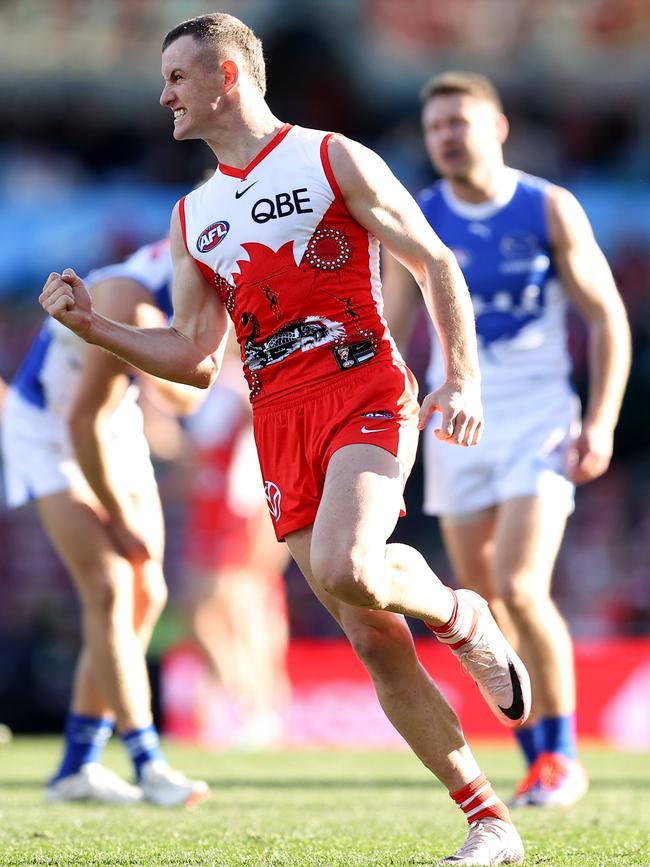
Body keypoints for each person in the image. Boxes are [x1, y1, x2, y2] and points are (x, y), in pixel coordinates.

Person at [39, 14, 531, 864]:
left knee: (350, 565)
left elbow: (434, 262)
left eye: (178, 77)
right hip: (278, 416)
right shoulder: (194, 216)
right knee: (372, 632)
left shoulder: (331, 156)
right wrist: (96, 329)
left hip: (363, 382)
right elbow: (195, 358)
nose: (163, 95)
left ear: (228, 75)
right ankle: (490, 820)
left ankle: (463, 618)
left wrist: (465, 376)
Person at [383, 71, 631, 808]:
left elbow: (608, 316)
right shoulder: (418, 216)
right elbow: (395, 333)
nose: (447, 137)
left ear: (498, 126)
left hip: (537, 420)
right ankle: (535, 762)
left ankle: (560, 756)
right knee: (481, 602)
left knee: (523, 586)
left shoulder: (547, 207)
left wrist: (602, 418)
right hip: (456, 426)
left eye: (460, 122)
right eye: (436, 128)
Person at [2, 239, 209, 806]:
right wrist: (119, 520)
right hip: (51, 429)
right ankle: (148, 761)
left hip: (113, 424)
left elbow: (191, 394)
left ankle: (77, 766)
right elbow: (80, 423)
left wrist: (168, 357)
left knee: (148, 595)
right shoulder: (131, 296)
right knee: (110, 587)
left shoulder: (205, 282)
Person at [181, 346, 291, 749]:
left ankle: (254, 708)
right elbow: (194, 456)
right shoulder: (212, 382)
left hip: (240, 507)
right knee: (231, 609)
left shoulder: (248, 376)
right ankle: (248, 705)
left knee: (233, 608)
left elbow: (270, 427)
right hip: (215, 507)